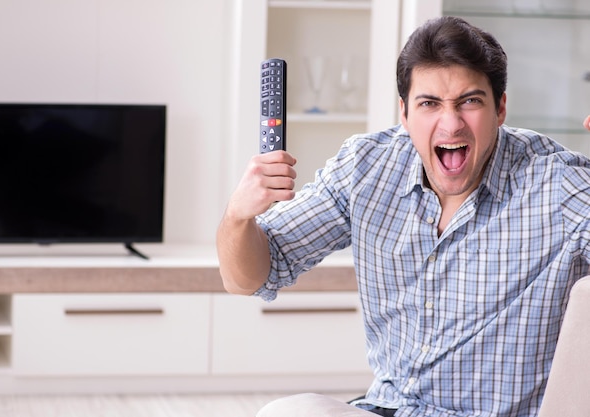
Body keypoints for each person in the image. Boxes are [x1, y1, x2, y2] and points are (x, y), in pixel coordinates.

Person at [217, 15, 590, 417]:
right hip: (386, 409)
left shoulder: (557, 185)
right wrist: (239, 217)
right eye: (430, 104)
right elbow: (249, 277)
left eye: (470, 101)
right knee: (288, 412)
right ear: (405, 112)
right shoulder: (366, 166)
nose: (451, 123)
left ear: (500, 108)